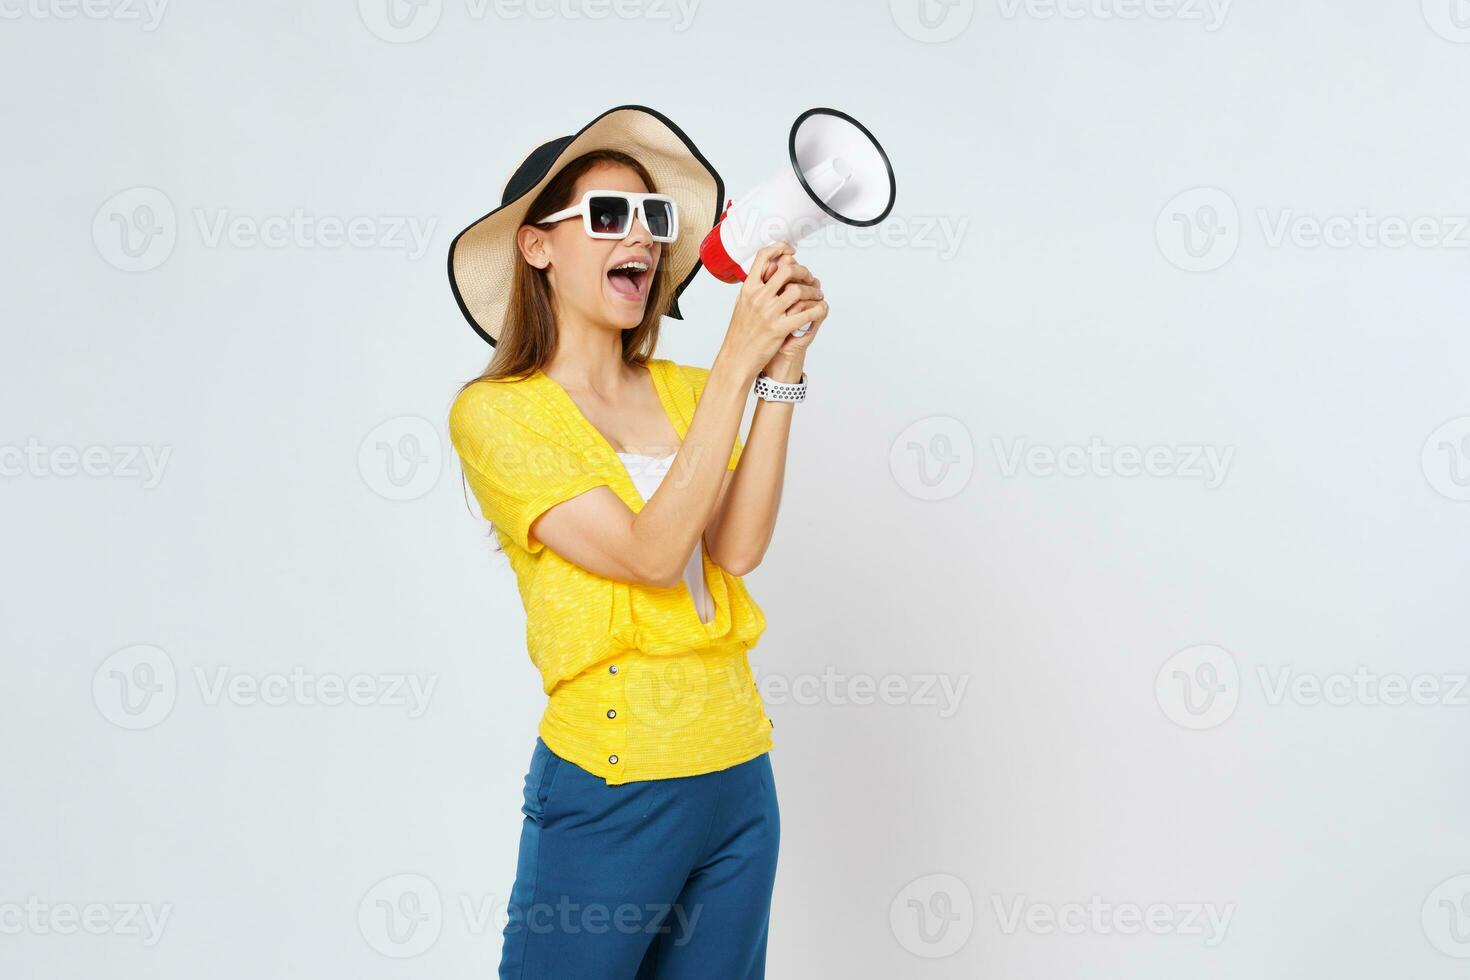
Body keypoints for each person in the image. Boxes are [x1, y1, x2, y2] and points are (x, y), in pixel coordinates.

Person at [445, 106, 828, 979]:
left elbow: (733, 550)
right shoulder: (497, 414)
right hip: (613, 776)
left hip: (738, 774)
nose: (645, 241)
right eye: (610, 217)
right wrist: (739, 360)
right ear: (537, 246)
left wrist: (781, 376)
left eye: (656, 221)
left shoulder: (691, 389)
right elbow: (651, 554)